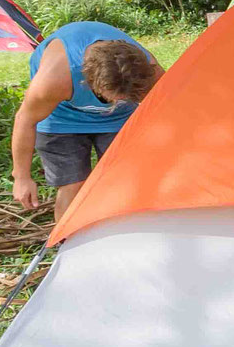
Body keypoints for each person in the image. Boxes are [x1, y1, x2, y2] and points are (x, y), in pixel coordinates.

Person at [11, 22, 164, 219]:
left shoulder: (148, 71)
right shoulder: (55, 79)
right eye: (113, 97)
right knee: (73, 185)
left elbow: (165, 109)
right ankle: (65, 244)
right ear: (89, 81)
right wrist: (22, 177)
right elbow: (25, 120)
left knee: (123, 177)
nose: (118, 101)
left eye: (128, 97)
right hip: (61, 117)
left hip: (118, 119)